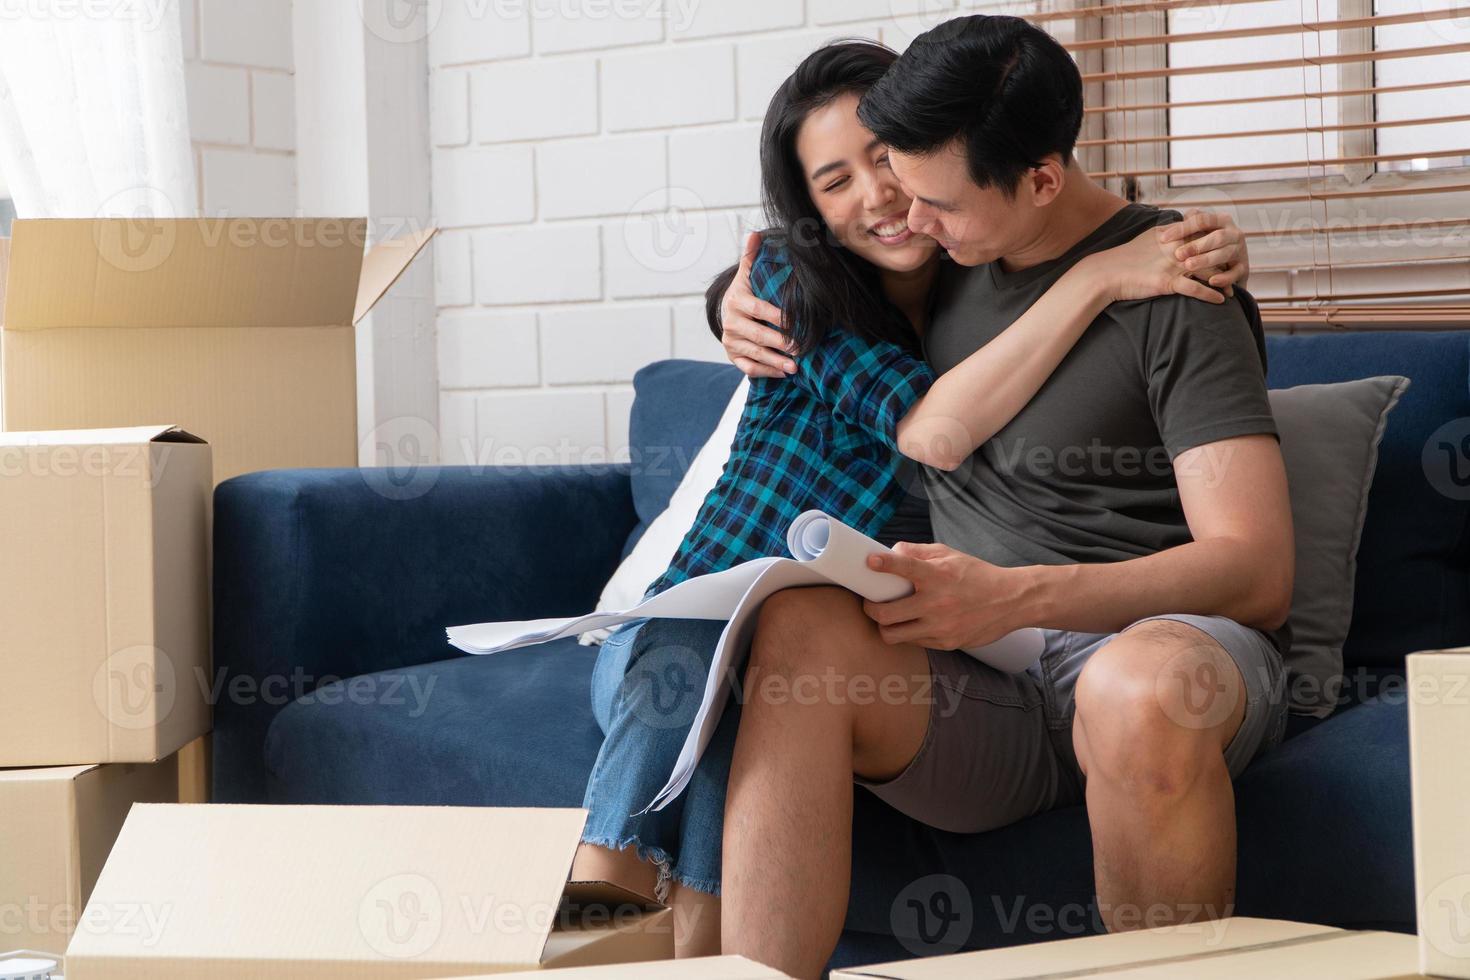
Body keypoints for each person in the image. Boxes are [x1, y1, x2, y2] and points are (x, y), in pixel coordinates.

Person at [568, 38, 1255, 960]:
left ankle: (622, 891)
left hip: (1123, 646)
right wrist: (730, 291)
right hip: (933, 659)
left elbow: (1257, 568)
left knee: (1135, 688)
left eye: (903, 172)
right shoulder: (936, 264)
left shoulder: (1147, 280)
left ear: (1031, 178)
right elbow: (866, 342)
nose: (899, 206)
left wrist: (1134, 251)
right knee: (792, 625)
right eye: (847, 178)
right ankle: (669, 926)